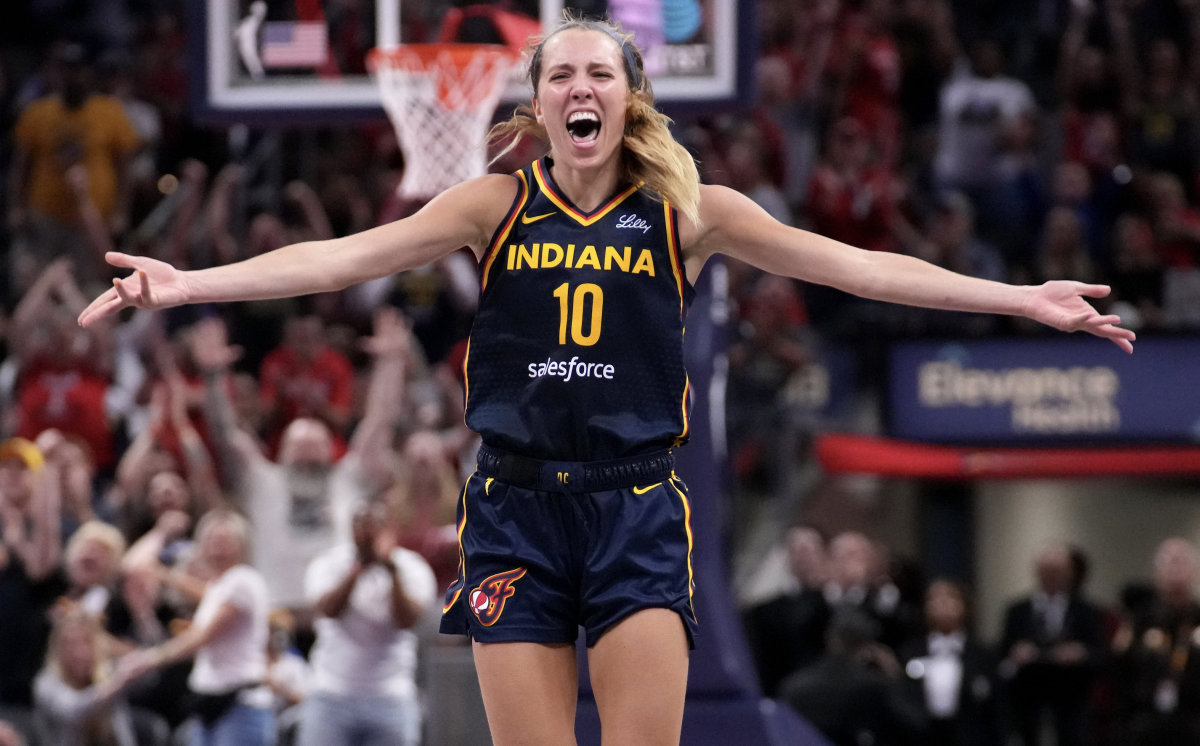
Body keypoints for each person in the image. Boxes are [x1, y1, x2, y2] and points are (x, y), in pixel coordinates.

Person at [78, 15, 1134, 746]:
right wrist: (186, 282)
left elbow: (859, 264)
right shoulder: (490, 207)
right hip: (512, 508)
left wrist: (1019, 299)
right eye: (560, 74)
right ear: (537, 105)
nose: (581, 86)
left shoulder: (691, 212)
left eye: (601, 72)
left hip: (633, 502)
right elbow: (336, 258)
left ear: (631, 98)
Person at [121, 509, 274, 746]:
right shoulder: (218, 587)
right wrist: (163, 572)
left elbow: (201, 637)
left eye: (224, 540)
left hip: (239, 706)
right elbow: (135, 566)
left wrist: (151, 658)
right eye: (211, 539)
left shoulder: (243, 580)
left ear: (241, 545)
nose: (216, 546)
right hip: (209, 703)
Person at [298, 501, 437, 746]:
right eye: (361, 525)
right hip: (331, 693)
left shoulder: (410, 567)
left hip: (391, 695)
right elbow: (328, 609)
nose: (366, 533)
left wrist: (390, 570)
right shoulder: (330, 562)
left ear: (388, 528)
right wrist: (359, 568)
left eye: (373, 525)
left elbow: (407, 619)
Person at [1000, 543, 1105, 746]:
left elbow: (1101, 656)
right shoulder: (1017, 611)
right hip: (1028, 702)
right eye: (1046, 571)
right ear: (1036, 572)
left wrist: (1080, 653)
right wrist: (1015, 658)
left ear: (1070, 573)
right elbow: (1001, 661)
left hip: (1071, 702)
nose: (1051, 576)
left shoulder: (1086, 611)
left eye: (1057, 571)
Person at [899, 580, 1002, 746]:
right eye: (935, 599)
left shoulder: (982, 655)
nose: (943, 604)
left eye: (951, 597)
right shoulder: (910, 652)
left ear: (965, 606)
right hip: (922, 737)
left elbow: (996, 710)